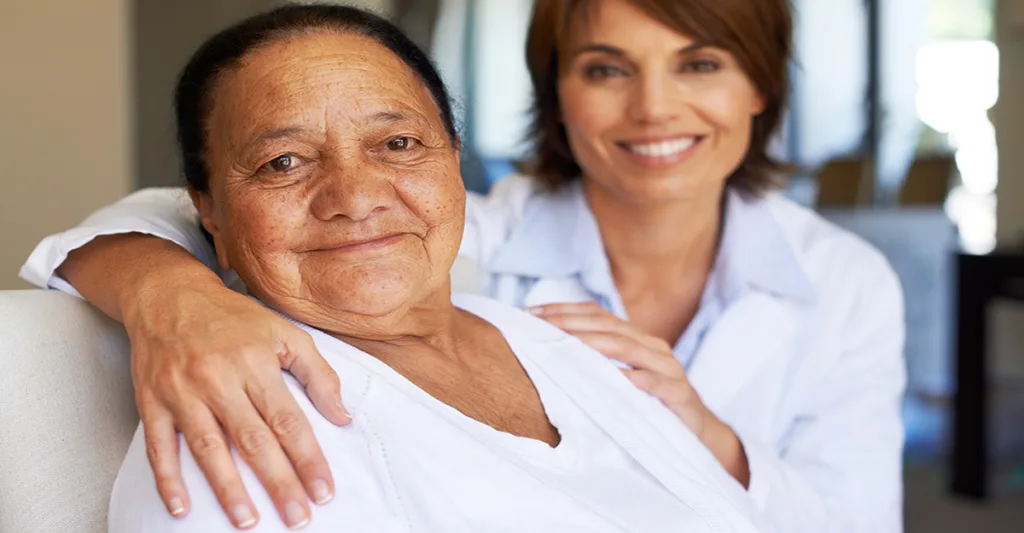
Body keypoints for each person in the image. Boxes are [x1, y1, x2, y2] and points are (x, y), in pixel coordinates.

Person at [22, 0, 906, 531]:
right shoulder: (451, 236)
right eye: (607, 69)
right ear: (557, 95)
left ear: (762, 87)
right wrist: (172, 293)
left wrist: (707, 437)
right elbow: (168, 217)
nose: (655, 107)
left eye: (701, 63)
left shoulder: (840, 283)